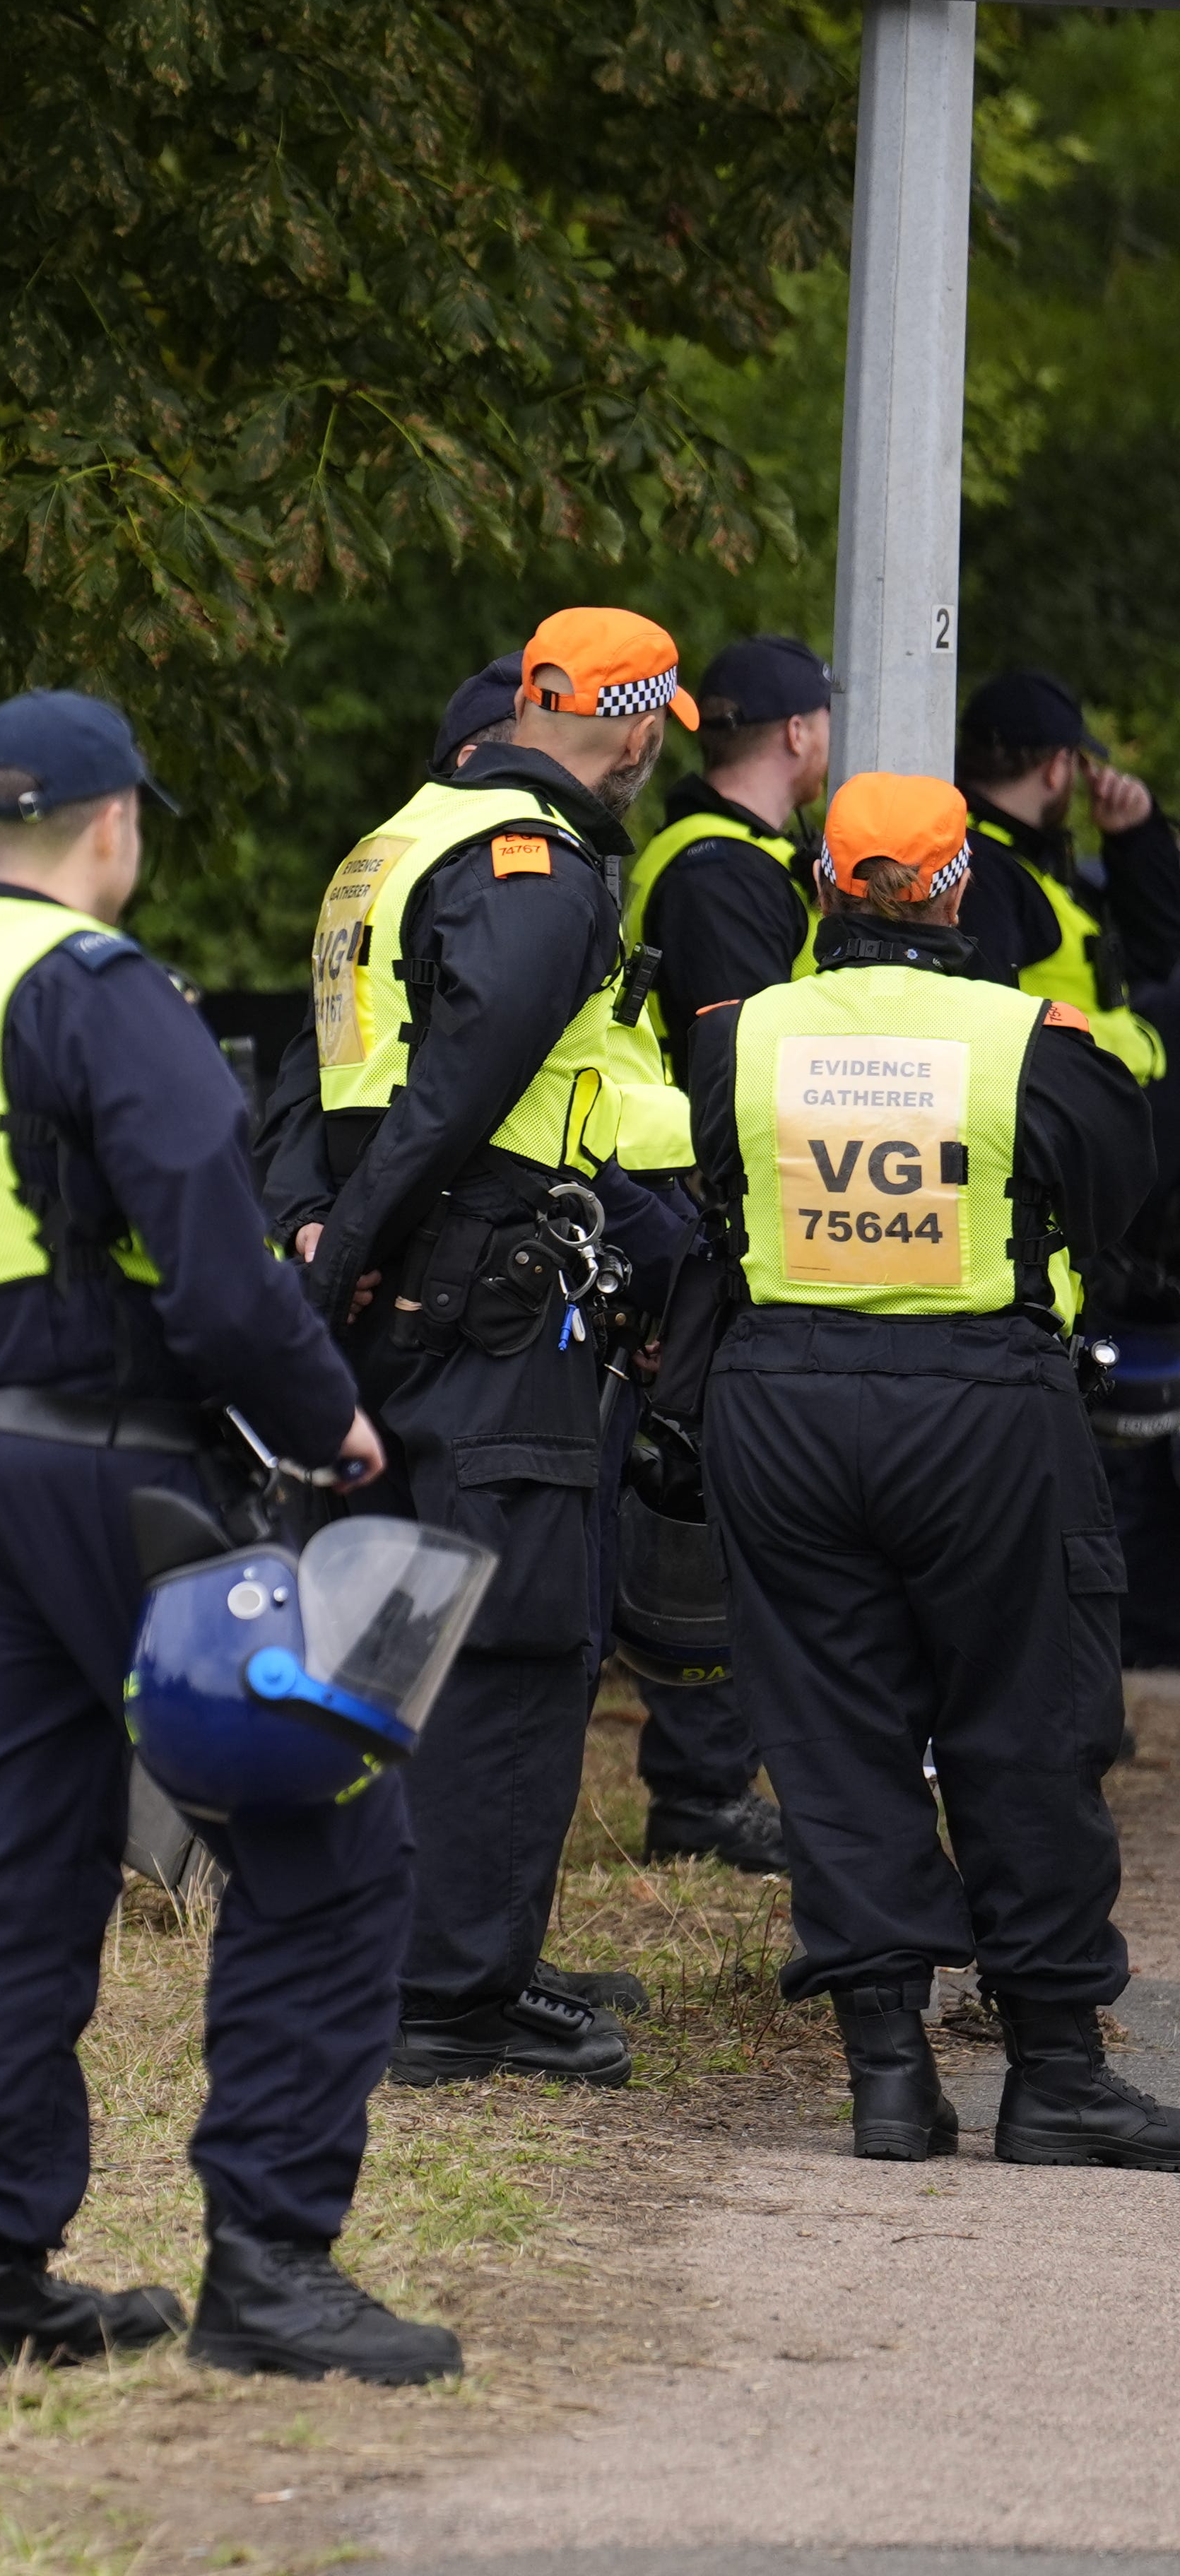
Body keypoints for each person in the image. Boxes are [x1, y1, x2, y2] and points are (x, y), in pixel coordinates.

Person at [0, 690, 451, 2389]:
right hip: (120, 1464)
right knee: (325, 1846)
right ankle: (268, 2262)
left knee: (8, 1858)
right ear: (113, 828)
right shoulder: (96, 993)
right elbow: (222, 1264)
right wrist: (331, 1420)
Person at [683, 775, 1180, 2167]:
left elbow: (708, 1185)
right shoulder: (1036, 1037)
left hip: (779, 1403)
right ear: (961, 887)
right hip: (980, 1401)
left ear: (830, 888)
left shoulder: (739, 1036)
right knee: (1025, 1721)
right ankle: (1058, 2074)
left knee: (833, 1738)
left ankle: (890, 2081)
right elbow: (1118, 1193)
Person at [279, 608, 692, 2091]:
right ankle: (450, 1991)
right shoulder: (535, 865)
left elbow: (330, 1081)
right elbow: (457, 1089)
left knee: (398, 1621)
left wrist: (330, 1246)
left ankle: (419, 1951)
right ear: (636, 727)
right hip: (485, 1288)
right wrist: (365, 1254)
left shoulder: (396, 839)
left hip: (409, 1279)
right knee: (511, 1638)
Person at [613, 634, 837, 1880]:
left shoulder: (734, 861)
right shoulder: (718, 874)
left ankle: (707, 1777)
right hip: (709, 1219)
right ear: (802, 735)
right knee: (700, 1493)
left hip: (700, 1210)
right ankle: (696, 1791)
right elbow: (747, 1067)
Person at [957, 668, 1177, 1088]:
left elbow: (1150, 953)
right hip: (1050, 1119)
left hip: (1072, 1107)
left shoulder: (1019, 860)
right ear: (1057, 768)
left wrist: (1135, 840)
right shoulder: (991, 867)